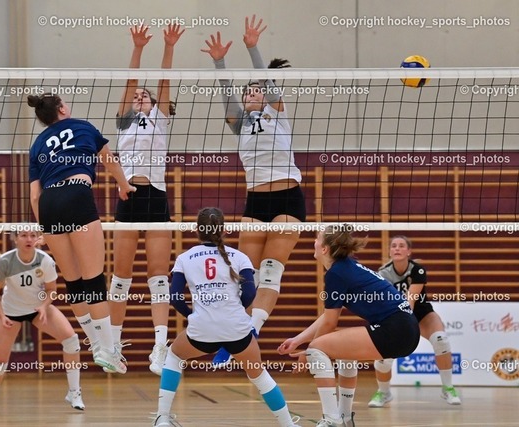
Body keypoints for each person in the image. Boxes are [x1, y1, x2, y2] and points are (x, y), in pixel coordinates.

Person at [201, 15, 306, 365]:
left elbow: (265, 81)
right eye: (248, 92)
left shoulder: (278, 112)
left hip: (288, 199)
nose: (252, 93)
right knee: (246, 276)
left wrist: (251, 47)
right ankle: (235, 333)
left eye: (257, 89)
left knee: (272, 270)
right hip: (255, 201)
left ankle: (251, 331)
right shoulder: (239, 124)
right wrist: (219, 61)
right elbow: (226, 94)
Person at [153, 207, 300, 427]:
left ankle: (162, 419)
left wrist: (191, 315)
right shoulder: (240, 257)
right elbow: (251, 293)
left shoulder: (185, 258)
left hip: (201, 329)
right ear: (224, 231)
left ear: (196, 230)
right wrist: (234, 311)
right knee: (258, 374)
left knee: (173, 357)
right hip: (236, 329)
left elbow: (174, 298)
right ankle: (288, 424)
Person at [28, 94, 136, 374]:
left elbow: (34, 196)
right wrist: (123, 185)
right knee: (94, 280)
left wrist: (45, 229)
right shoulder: (83, 127)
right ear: (63, 109)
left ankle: (97, 345)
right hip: (76, 194)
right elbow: (110, 161)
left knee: (74, 282)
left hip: (49, 204)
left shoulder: (38, 143)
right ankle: (109, 351)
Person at [278, 226, 421, 427]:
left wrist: (308, 351)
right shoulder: (346, 268)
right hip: (405, 329)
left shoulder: (337, 274)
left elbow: (330, 323)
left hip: (395, 329)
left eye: (318, 238)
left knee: (318, 350)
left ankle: (331, 419)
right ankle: (344, 419)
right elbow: (327, 317)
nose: (314, 242)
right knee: (344, 351)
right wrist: (299, 340)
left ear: (325, 249)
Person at [109, 23, 184, 376]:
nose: (139, 96)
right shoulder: (124, 121)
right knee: (121, 275)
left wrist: (168, 47)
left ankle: (159, 346)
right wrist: (137, 48)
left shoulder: (160, 119)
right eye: (136, 95)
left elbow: (165, 81)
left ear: (154, 104)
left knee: (158, 275)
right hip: (128, 195)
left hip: (156, 197)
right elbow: (129, 82)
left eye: (145, 95)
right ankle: (112, 345)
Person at [0, 230, 85, 414]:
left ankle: (74, 393)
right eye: (24, 235)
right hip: (11, 312)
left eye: (33, 235)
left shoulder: (46, 260)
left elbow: (52, 290)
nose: (29, 239)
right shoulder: (4, 261)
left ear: (38, 239)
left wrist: (44, 306)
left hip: (37, 309)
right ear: (15, 238)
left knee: (72, 341)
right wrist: (2, 316)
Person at [368, 235, 461, 407]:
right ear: (389, 251)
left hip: (421, 314)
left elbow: (410, 301)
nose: (397, 248)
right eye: (394, 246)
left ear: (408, 251)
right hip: (396, 317)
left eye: (401, 246)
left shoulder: (417, 270)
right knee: (383, 358)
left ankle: (448, 388)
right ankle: (384, 392)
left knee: (441, 340)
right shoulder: (383, 273)